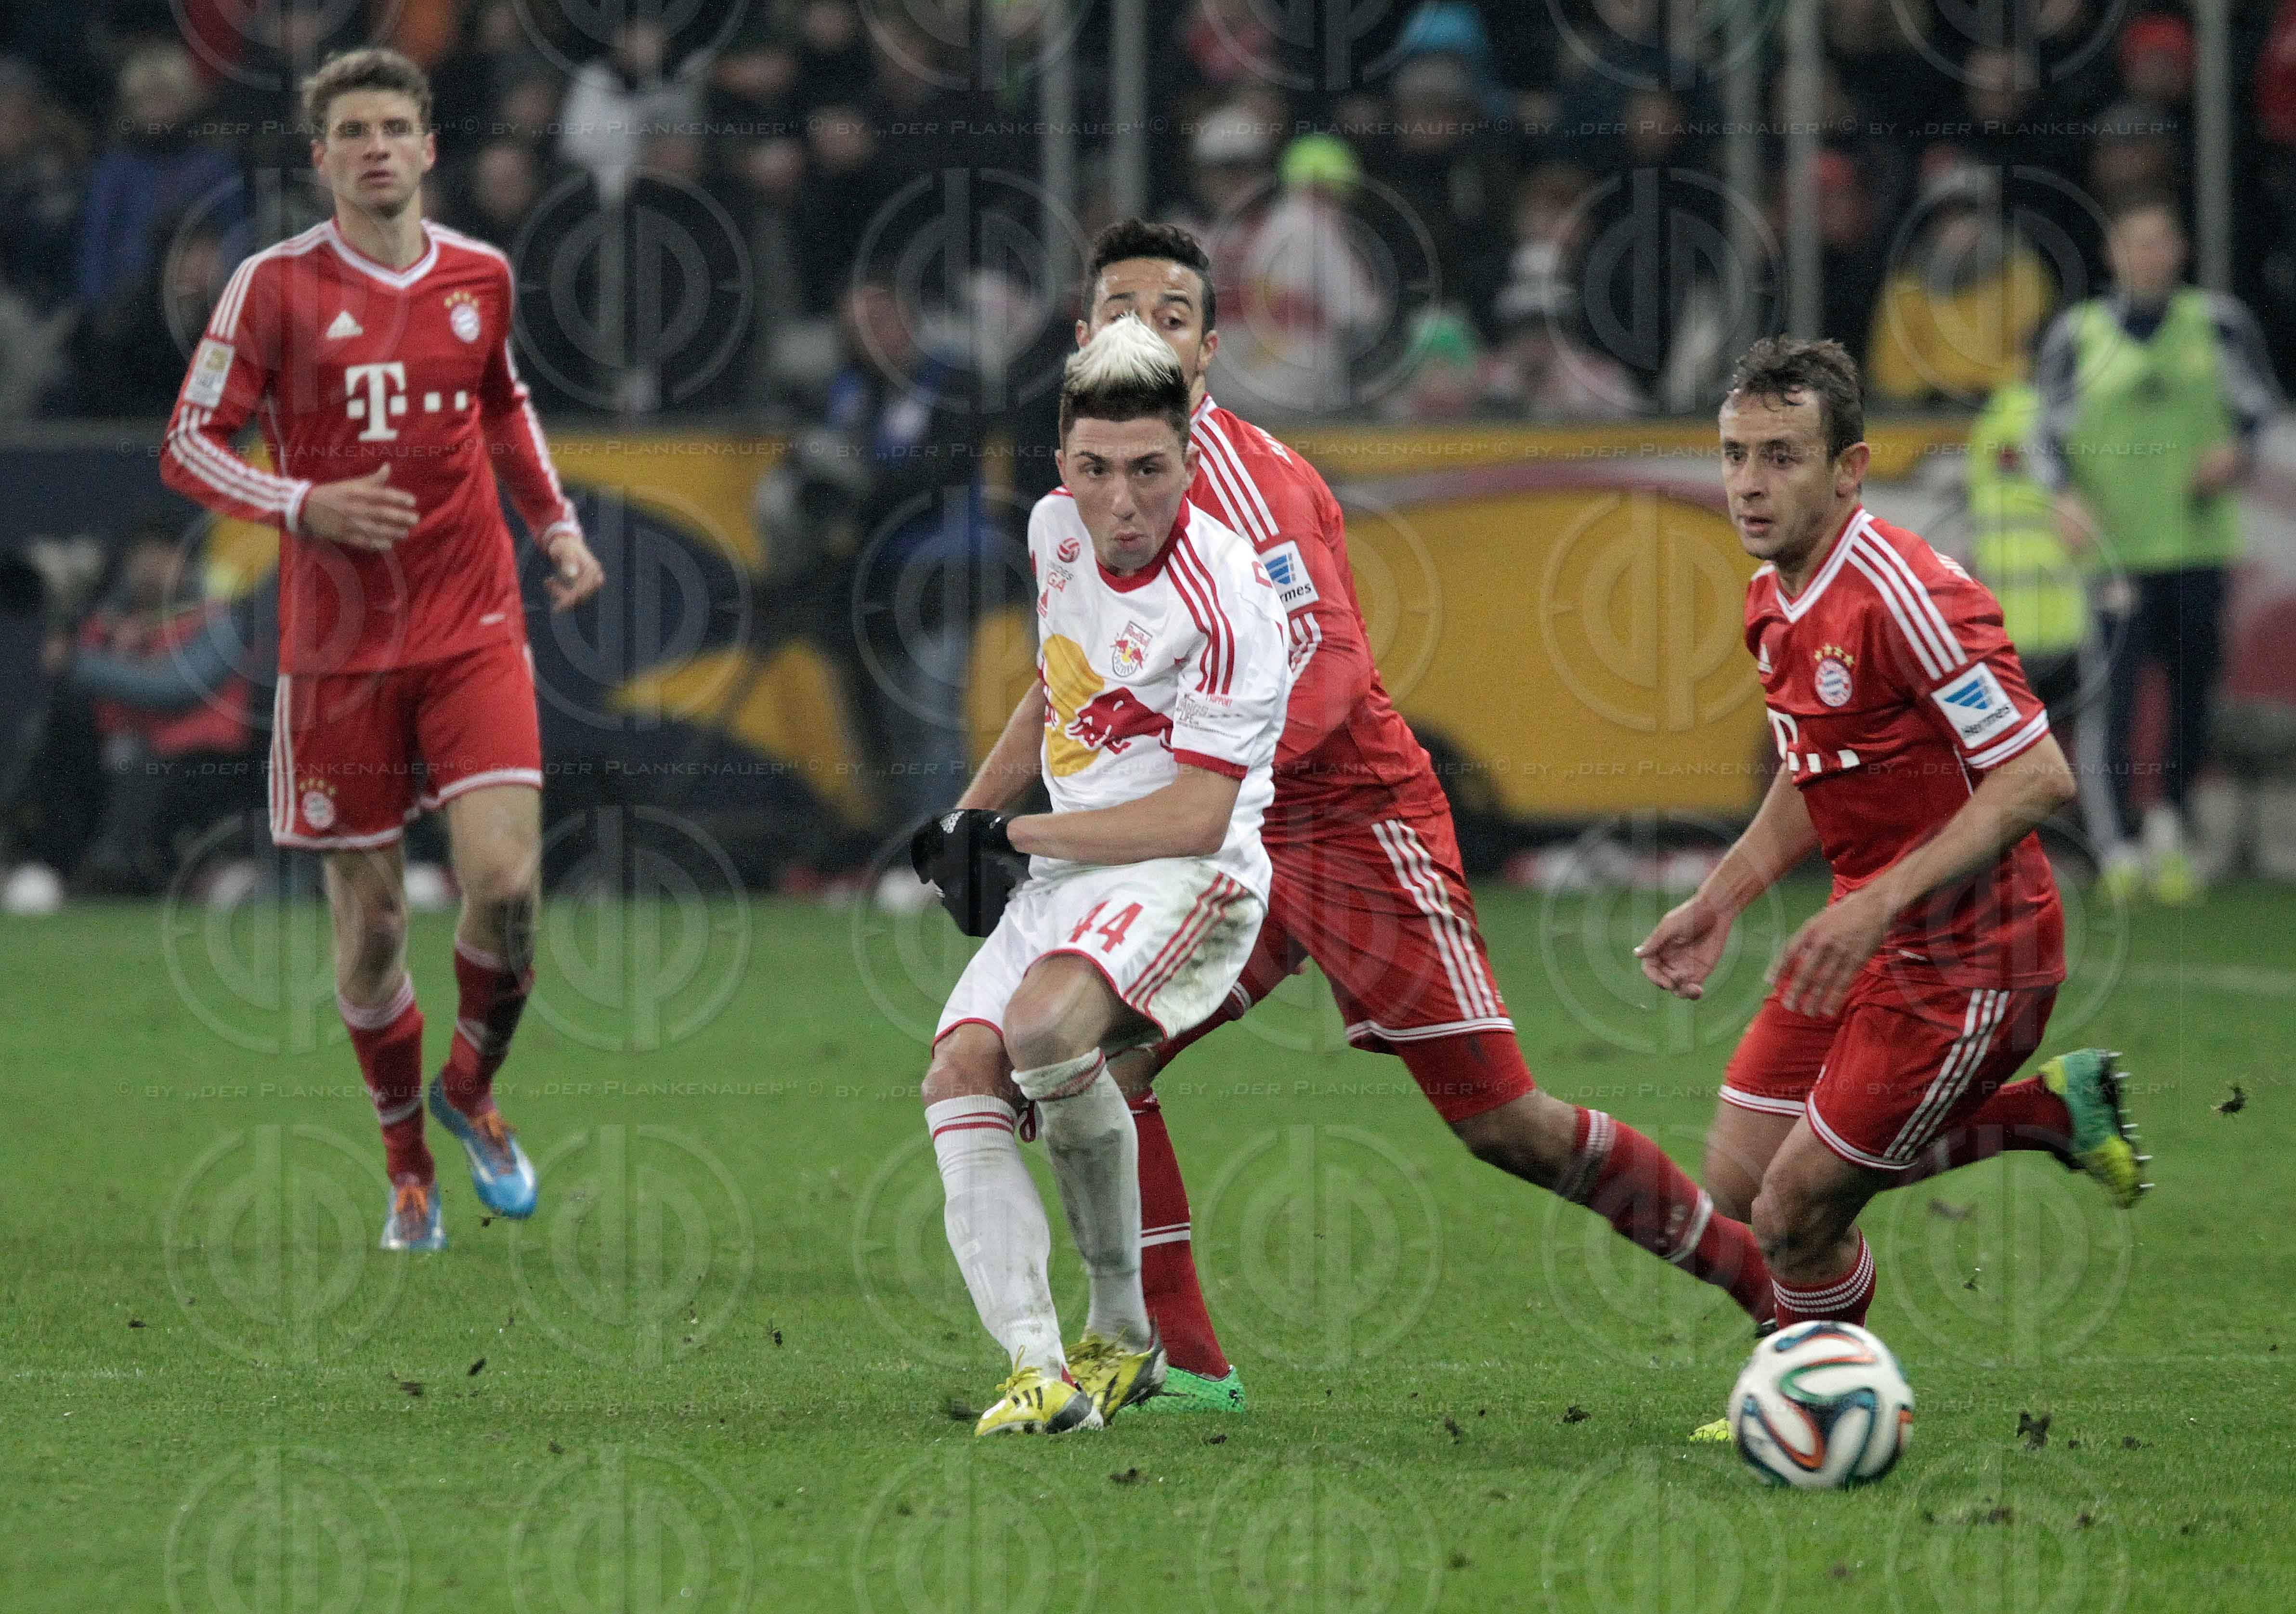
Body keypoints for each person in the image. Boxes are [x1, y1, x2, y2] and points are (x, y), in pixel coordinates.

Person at [1073, 220, 1776, 1414]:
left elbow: (1332, 668)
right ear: (1082, 336)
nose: (1145, 331)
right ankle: (1182, 1366)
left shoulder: (1256, 483)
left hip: (1350, 825)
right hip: (1233, 835)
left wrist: (1203, 785)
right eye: (1121, 311)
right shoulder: (1091, 488)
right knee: (1100, 1056)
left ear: (1206, 351)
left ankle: (1778, 1299)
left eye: (1173, 315)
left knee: (1504, 1124)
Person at [156, 48, 606, 1252]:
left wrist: (555, 527)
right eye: (352, 131)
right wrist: (304, 503)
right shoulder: (273, 285)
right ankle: (407, 1165)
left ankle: (471, 1088)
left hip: (472, 621)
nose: (375, 148)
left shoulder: (479, 275)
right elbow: (189, 442)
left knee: (505, 887)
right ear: (321, 158)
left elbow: (501, 403)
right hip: (337, 649)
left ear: (428, 147)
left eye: (394, 128)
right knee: (369, 931)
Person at [1634, 337, 2145, 1363]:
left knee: (1793, 1209)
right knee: (1738, 1183)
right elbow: (1812, 768)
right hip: (1863, 934)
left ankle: (1816, 1400)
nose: (1748, 483)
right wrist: (1723, 896)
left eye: (1781, 456)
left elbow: (2037, 774)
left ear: (1849, 469)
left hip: (1973, 959)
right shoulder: (1771, 599)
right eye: (1735, 454)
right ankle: (2047, 1114)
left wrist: (1874, 902)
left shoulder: (1908, 595)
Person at [912, 315, 1292, 1435]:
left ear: (1188, 459)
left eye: (1147, 469)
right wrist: (970, 816)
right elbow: (1057, 682)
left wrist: (1013, 834)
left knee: (1041, 1029)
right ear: (1062, 465)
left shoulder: (1230, 595)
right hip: (1072, 864)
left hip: (1193, 873)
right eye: (1094, 469)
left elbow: (1196, 811)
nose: (1120, 500)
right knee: (958, 1072)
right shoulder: (1052, 533)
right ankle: (1040, 1370)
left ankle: (1123, 1328)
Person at [2031, 192, 2283, 903]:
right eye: (2134, 243)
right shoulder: (2079, 334)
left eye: (2160, 242)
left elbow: (2259, 405)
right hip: (2115, 550)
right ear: (2112, 254)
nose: (2148, 257)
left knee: (2192, 693)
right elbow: (2043, 430)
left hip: (2196, 543)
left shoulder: (2217, 324)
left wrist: (2236, 451)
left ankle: (2170, 826)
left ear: (2180, 252)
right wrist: (2064, 496)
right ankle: (2114, 846)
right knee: (2111, 695)